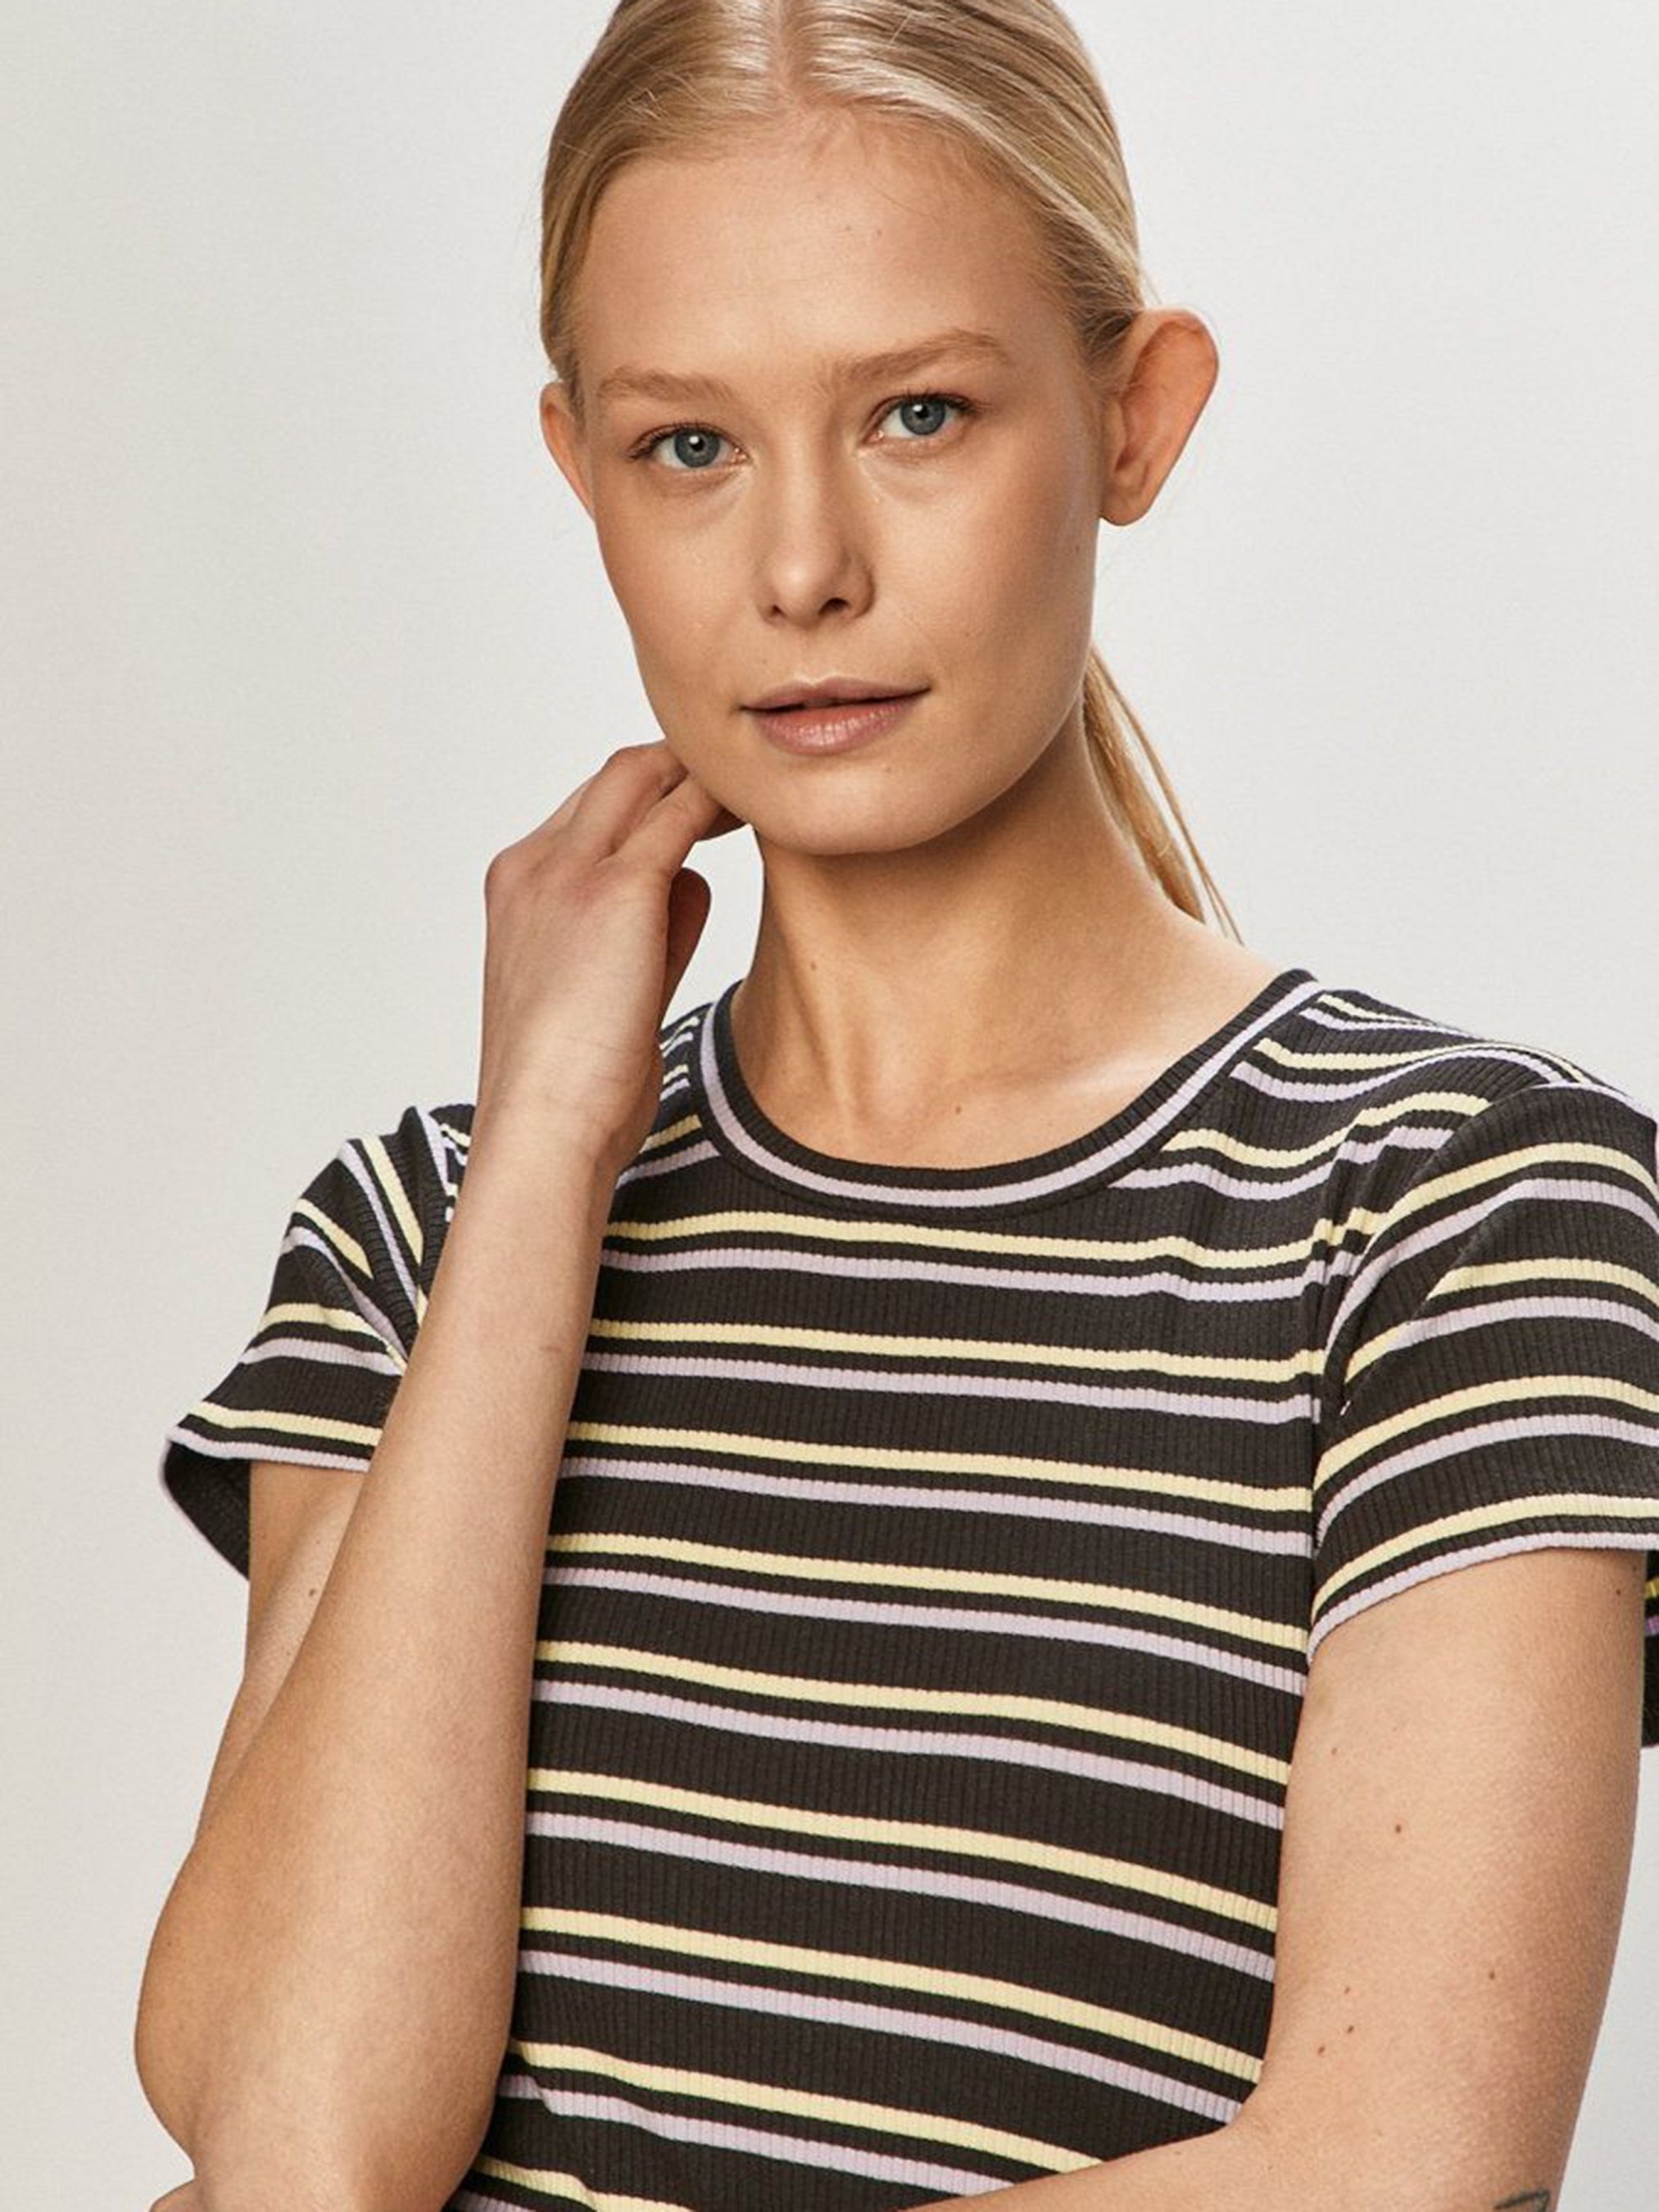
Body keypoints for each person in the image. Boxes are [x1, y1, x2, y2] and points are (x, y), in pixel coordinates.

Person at [135, 3, 1659, 2209]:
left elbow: (1401, 2163)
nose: (800, 569)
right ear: (579, 471)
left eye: (918, 413)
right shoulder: (417, 1233)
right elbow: (294, 2146)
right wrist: (544, 1165)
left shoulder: (1460, 1217)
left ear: (1135, 416)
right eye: (689, 445)